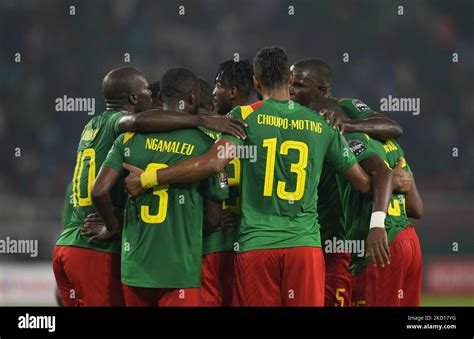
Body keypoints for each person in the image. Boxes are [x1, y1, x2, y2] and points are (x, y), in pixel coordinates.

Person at [123, 46, 394, 306]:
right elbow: (362, 183)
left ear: (256, 81)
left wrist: (150, 178)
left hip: (257, 247)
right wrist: (394, 178)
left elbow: (211, 164)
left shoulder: (245, 117)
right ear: (289, 78)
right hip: (304, 248)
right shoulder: (322, 123)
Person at [53, 66, 246, 307]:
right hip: (151, 261)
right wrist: (203, 120)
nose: (150, 97)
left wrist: (116, 222)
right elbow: (213, 218)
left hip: (86, 244)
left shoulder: (102, 130)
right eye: (146, 90)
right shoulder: (201, 142)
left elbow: (98, 189)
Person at [289, 58, 407, 307]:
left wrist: (348, 124)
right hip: (301, 237)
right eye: (289, 83)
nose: (290, 90)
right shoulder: (287, 117)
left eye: (298, 85)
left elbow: (393, 127)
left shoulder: (344, 108)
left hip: (337, 238)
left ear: (320, 91)